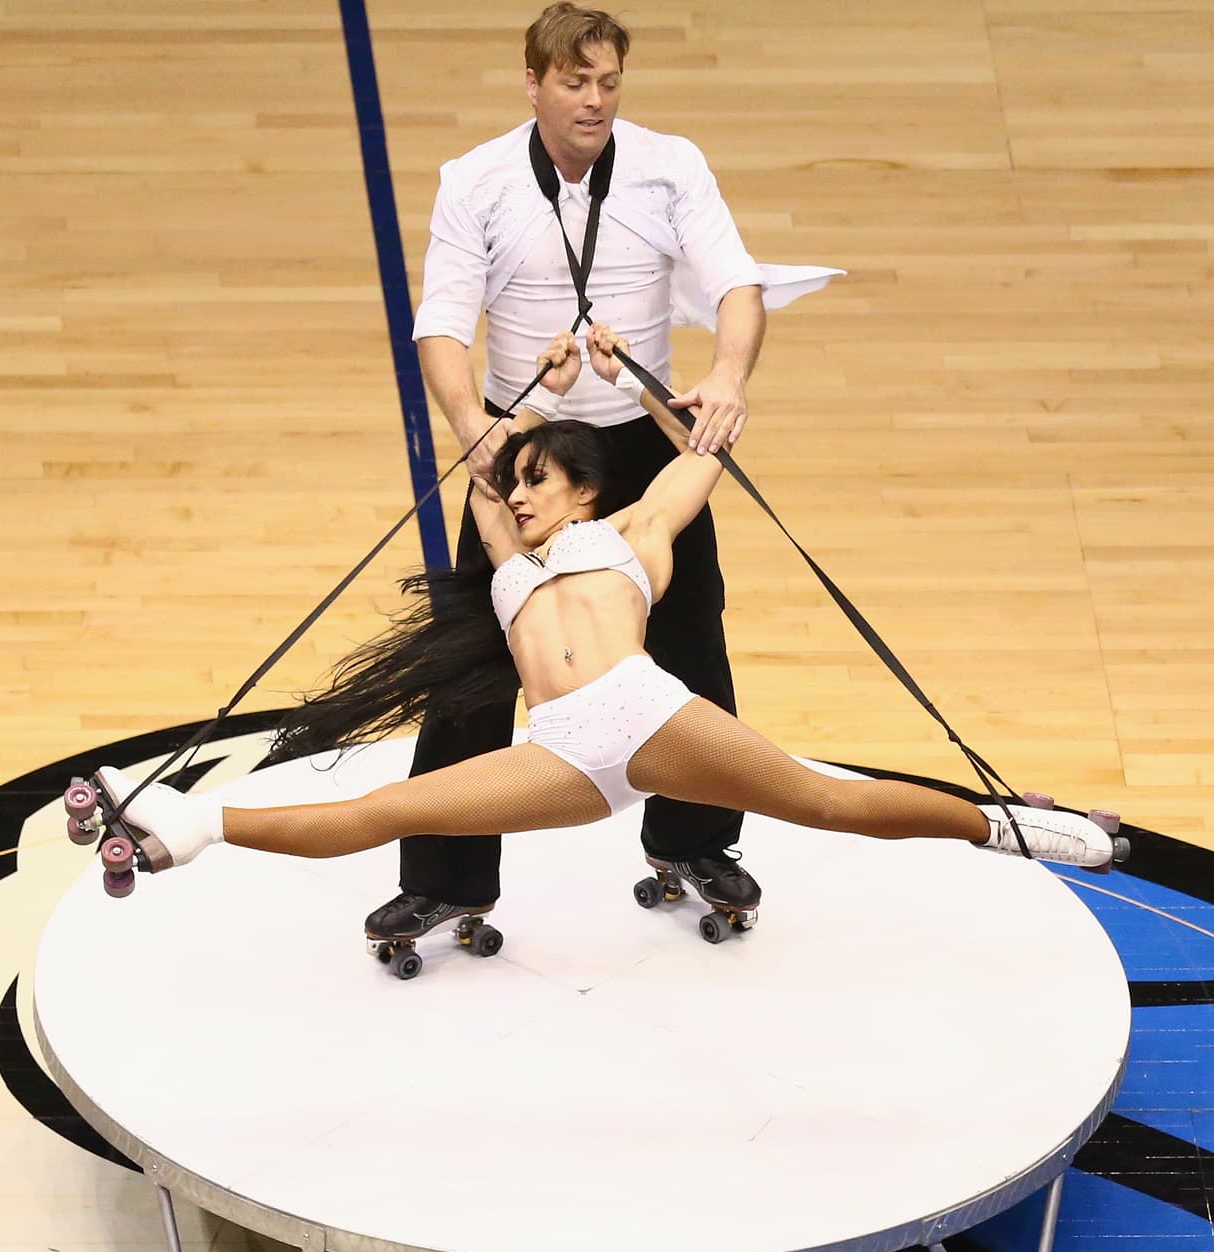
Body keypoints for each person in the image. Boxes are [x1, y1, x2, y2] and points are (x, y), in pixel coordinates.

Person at [94, 326, 1118, 882]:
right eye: (519, 485)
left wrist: (634, 378)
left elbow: (702, 454)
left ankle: (1006, 829)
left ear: (584, 490)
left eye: (539, 480)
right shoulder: (507, 558)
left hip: (645, 713)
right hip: (562, 751)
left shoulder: (630, 534)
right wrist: (535, 394)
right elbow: (481, 469)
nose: (520, 495)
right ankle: (195, 826)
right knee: (381, 814)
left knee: (826, 804)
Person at [375, 0, 841, 948]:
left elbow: (737, 285)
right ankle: (444, 881)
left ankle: (695, 842)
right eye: (575, 82)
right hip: (528, 446)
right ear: (534, 84)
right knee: (473, 671)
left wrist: (727, 375)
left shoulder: (671, 166)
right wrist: (474, 431)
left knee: (692, 643)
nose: (595, 101)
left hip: (638, 436)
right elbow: (442, 324)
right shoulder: (476, 182)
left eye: (609, 83)